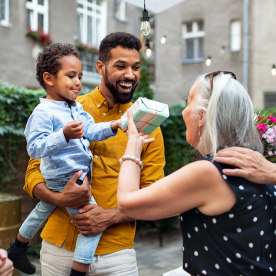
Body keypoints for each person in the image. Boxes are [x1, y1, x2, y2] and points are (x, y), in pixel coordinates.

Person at [22, 32, 165, 275]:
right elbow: (33, 172)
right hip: (60, 247)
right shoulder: (64, 106)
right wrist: (59, 199)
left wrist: (109, 216)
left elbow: (155, 192)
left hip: (117, 253)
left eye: (136, 67)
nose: (130, 75)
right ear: (100, 67)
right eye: (121, 66)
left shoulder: (146, 125)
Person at [117, 71, 276, 275]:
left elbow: (127, 203)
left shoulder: (209, 173)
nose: (184, 112)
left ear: (201, 116)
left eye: (188, 102)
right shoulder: (258, 165)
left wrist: (132, 145)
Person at [7, 43, 122, 276]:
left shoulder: (76, 109)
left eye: (79, 76)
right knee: (91, 224)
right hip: (65, 178)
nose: (78, 82)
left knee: (42, 209)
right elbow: (35, 148)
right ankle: (78, 272)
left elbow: (91, 131)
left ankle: (17, 247)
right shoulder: (44, 112)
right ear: (49, 78)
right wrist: (63, 135)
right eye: (71, 76)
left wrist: (113, 126)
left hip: (67, 176)